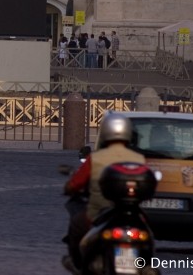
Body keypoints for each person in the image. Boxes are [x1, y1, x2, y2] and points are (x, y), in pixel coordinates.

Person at [62, 113, 145, 271]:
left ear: (105, 132)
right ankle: (146, 264)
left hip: (99, 213)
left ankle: (78, 264)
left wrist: (68, 188)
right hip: (131, 214)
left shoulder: (96, 158)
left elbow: (76, 183)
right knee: (147, 235)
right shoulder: (138, 158)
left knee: (76, 226)